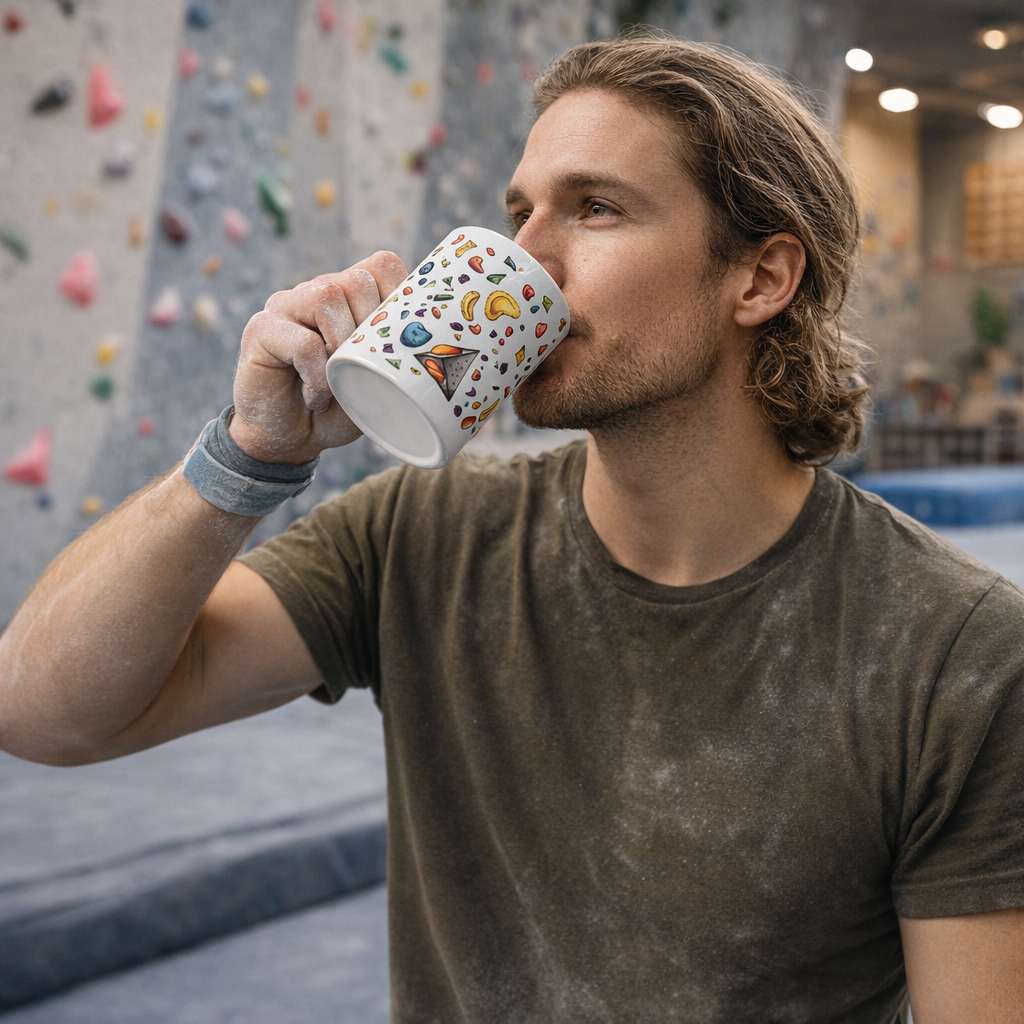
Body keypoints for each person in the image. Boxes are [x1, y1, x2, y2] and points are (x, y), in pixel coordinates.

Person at [1, 33, 1022, 1023]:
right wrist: (251, 453)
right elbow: (43, 713)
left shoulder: (955, 650)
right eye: (517, 212)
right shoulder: (419, 534)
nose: (523, 259)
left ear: (759, 278)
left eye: (594, 208)